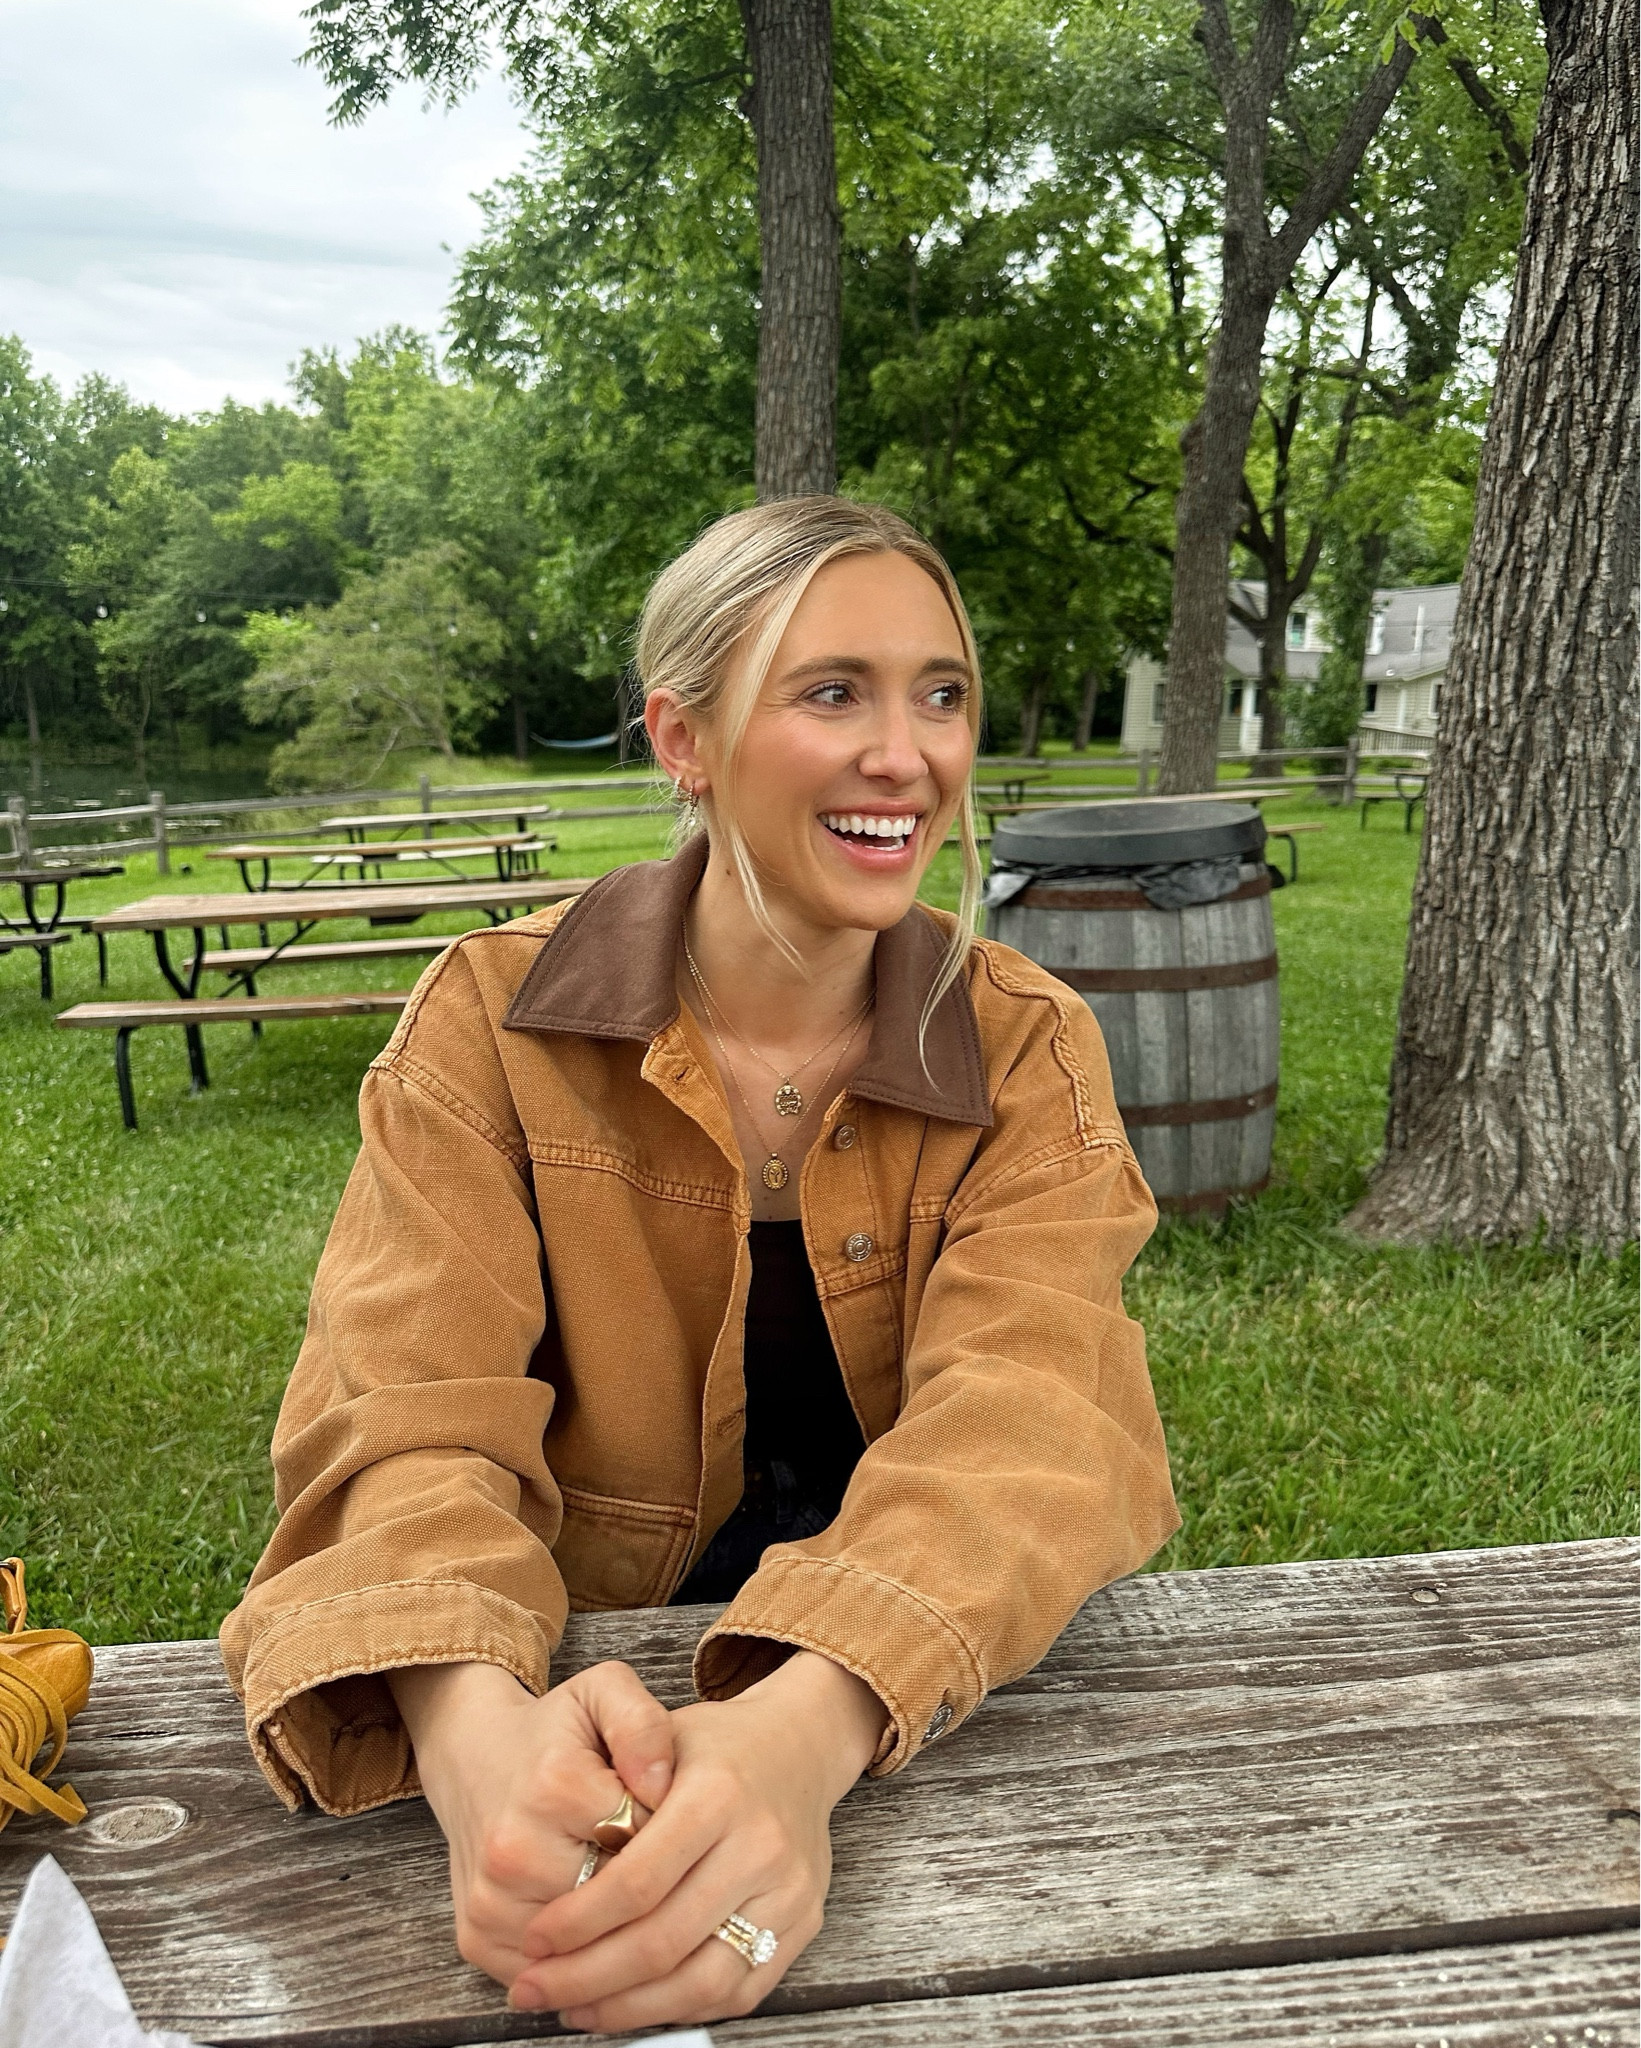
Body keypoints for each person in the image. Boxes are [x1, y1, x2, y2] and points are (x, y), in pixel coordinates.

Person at [220, 496, 1179, 2033]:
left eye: (941, 692)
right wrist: (476, 1741)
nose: (907, 754)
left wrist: (796, 1740)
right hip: (580, 1652)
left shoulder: (1022, 1044)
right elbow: (404, 1416)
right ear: (683, 739)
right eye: (830, 691)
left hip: (913, 1671)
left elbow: (1037, 1420)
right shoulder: (489, 1024)